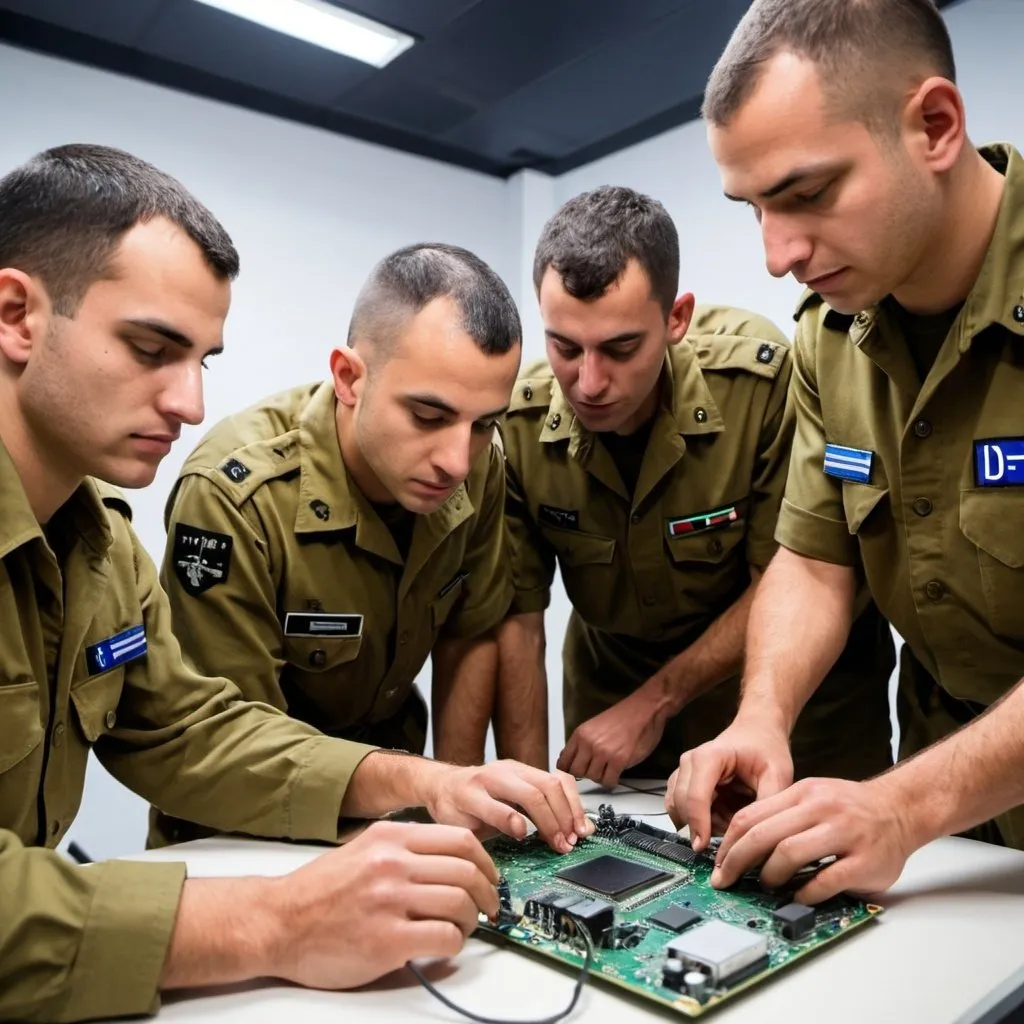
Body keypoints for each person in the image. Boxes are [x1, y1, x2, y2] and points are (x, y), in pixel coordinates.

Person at [0, 143, 589, 1023]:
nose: (190, 403)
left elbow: (191, 730)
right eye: (152, 348)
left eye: (202, 359)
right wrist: (273, 919)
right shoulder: (229, 487)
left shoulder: (99, 549)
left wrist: (426, 784)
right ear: (16, 314)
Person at [666, 0, 1024, 904]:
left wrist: (902, 807)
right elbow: (818, 556)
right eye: (753, 208)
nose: (777, 254)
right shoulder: (832, 335)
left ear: (934, 126)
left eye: (808, 193)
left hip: (929, 803)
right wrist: (762, 714)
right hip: (957, 825)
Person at [496, 185, 894, 788]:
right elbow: (519, 623)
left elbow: (791, 575)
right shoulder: (519, 425)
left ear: (675, 318)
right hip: (615, 710)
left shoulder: (757, 384)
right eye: (565, 347)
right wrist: (524, 793)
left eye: (621, 348)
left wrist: (656, 702)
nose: (589, 382)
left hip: (791, 710)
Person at [151, 242, 528, 847]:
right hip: (237, 832)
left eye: (485, 423)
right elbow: (232, 746)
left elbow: (470, 630)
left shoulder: (479, 467)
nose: (458, 460)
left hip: (395, 810)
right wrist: (417, 796)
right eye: (429, 416)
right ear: (350, 377)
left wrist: (462, 803)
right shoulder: (234, 498)